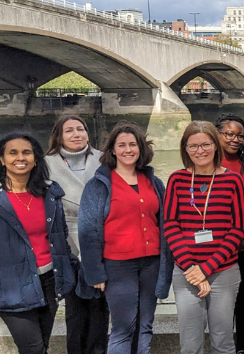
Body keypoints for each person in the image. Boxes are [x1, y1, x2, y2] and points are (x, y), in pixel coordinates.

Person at [0, 133, 76, 354]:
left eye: (26, 152)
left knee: (42, 345)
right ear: (2, 159)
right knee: (33, 348)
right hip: (12, 287)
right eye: (13, 152)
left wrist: (67, 269)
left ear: (36, 158)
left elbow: (60, 237)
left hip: (49, 281)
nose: (20, 158)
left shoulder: (49, 193)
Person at [78, 122, 173, 354]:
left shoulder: (153, 181)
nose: (128, 150)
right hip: (118, 266)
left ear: (141, 148)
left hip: (151, 263)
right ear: (112, 150)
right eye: (122, 145)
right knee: (123, 328)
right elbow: (88, 229)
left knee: (145, 325)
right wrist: (95, 272)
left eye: (133, 144)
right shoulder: (99, 185)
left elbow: (163, 221)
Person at [165, 121, 244, 354]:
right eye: (193, 146)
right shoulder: (177, 180)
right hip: (186, 273)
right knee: (190, 344)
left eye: (206, 144)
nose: (200, 151)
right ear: (185, 149)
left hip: (223, 272)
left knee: (223, 341)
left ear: (215, 146)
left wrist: (207, 267)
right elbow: (170, 224)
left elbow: (238, 228)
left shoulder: (232, 180)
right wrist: (192, 268)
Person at [44, 115, 109, 354]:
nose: (76, 134)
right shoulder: (45, 164)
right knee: (75, 308)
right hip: (66, 241)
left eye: (80, 129)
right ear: (59, 136)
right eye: (69, 130)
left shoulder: (105, 159)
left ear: (88, 134)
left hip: (102, 239)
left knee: (101, 307)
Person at [214, 114, 244, 354]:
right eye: (229, 134)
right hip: (218, 247)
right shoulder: (207, 163)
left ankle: (242, 347)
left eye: (240, 135)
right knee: (221, 304)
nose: (235, 139)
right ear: (217, 134)